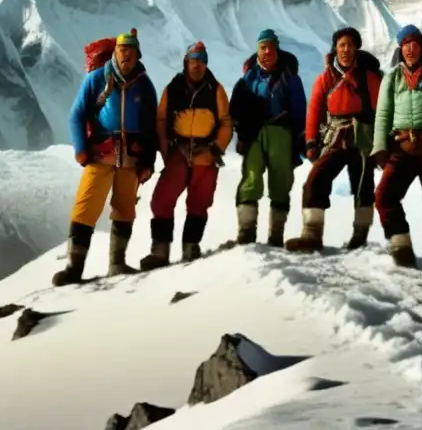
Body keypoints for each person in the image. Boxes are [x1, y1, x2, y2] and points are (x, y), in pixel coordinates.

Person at [54, 29, 158, 285]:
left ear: (138, 54)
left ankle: (117, 264)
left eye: (131, 51)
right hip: (100, 153)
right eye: (123, 50)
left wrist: (148, 162)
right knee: (86, 207)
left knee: (125, 209)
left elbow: (151, 126)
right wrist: (80, 148)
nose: (127, 55)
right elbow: (77, 114)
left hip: (131, 158)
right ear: (115, 52)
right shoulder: (96, 79)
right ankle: (74, 269)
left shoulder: (144, 84)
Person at [285, 26, 382, 253]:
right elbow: (314, 112)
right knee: (315, 180)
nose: (345, 49)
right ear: (335, 48)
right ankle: (311, 234)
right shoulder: (325, 79)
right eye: (341, 45)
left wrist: (381, 144)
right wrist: (310, 142)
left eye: (349, 45)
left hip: (362, 139)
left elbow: (382, 110)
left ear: (357, 48)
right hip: (334, 139)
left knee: (363, 187)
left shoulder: (368, 78)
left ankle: (360, 236)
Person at [140, 41, 233, 270]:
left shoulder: (216, 89)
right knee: (162, 200)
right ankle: (160, 252)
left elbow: (226, 122)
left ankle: (191, 248)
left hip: (206, 154)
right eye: (193, 61)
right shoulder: (173, 88)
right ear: (186, 62)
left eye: (201, 61)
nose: (197, 66)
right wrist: (167, 151)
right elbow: (161, 120)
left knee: (199, 202)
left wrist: (215, 149)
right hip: (179, 153)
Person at [371, 24, 422, 270]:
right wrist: (379, 147)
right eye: (406, 44)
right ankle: (401, 248)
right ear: (400, 48)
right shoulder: (393, 76)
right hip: (401, 147)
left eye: (415, 43)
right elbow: (383, 112)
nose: (410, 49)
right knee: (384, 196)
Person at [229, 29, 307, 247]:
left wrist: (300, 139)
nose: (266, 52)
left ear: (277, 49)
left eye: (270, 47)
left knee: (280, 182)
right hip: (254, 135)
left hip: (281, 133)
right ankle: (246, 233)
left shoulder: (290, 78)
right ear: (257, 51)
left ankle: (276, 235)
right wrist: (242, 133)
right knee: (251, 178)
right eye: (262, 48)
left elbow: (300, 109)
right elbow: (236, 107)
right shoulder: (248, 78)